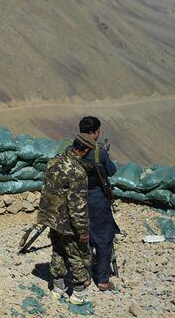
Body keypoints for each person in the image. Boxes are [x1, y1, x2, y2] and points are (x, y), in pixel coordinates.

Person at [37, 133, 95, 305]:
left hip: (51, 217)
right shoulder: (78, 172)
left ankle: (58, 288)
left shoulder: (55, 160)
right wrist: (83, 231)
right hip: (68, 223)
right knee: (79, 255)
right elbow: (78, 207)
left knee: (58, 250)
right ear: (84, 150)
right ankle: (78, 294)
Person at [79, 116, 118, 291]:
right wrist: (105, 155)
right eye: (98, 131)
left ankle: (83, 277)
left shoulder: (72, 150)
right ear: (95, 133)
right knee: (103, 238)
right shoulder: (98, 153)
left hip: (76, 200)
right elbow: (111, 171)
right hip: (97, 200)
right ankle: (102, 280)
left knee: (81, 238)